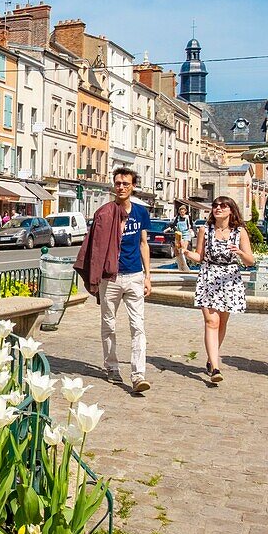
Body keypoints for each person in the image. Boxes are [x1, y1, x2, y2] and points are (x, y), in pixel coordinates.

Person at [78, 168, 152, 394]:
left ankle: (138, 375)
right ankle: (111, 366)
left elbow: (143, 244)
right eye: (118, 183)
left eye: (126, 183)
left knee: (137, 326)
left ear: (133, 186)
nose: (121, 187)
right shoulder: (105, 212)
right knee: (108, 325)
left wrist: (148, 276)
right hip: (110, 277)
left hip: (134, 275)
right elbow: (97, 245)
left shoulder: (140, 212)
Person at [179, 196, 254, 385]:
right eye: (215, 206)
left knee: (221, 323)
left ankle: (211, 358)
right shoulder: (205, 230)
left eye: (223, 206)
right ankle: (215, 367)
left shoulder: (240, 232)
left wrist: (240, 252)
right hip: (209, 276)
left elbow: (250, 261)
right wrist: (186, 252)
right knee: (211, 321)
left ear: (231, 210)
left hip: (230, 278)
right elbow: (200, 256)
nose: (218, 208)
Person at [169, 204, 195, 272]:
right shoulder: (177, 217)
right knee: (178, 249)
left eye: (183, 210)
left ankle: (186, 263)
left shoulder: (188, 217)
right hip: (179, 234)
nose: (182, 212)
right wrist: (169, 229)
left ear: (185, 211)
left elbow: (191, 225)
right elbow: (174, 224)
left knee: (183, 248)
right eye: (180, 210)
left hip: (186, 233)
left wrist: (191, 231)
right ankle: (181, 263)